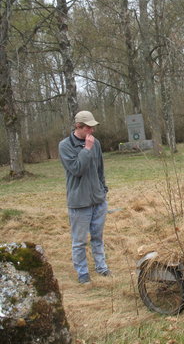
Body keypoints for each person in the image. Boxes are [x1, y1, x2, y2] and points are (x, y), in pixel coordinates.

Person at [59, 110, 111, 284]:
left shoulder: (96, 143)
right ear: (78, 127)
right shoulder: (65, 146)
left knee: (98, 237)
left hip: (98, 200)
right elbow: (76, 169)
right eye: (89, 128)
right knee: (79, 241)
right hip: (79, 202)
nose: (92, 131)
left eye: (93, 127)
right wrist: (86, 149)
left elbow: (99, 169)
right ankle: (82, 273)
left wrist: (103, 190)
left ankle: (102, 268)